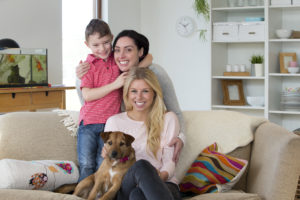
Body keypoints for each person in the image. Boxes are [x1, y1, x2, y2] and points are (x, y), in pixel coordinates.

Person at [76, 30, 185, 162]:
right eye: (117, 50)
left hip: (151, 143)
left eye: (128, 50)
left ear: (140, 52)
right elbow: (89, 104)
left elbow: (176, 112)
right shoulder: (111, 74)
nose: (121, 55)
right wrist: (80, 76)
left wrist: (181, 137)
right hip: (120, 143)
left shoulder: (155, 73)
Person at [77, 19, 152, 182]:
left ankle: (99, 194)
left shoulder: (116, 59)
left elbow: (149, 58)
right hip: (89, 123)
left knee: (103, 162)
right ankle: (82, 194)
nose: (102, 48)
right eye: (96, 45)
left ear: (111, 37)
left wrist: (135, 70)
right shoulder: (88, 66)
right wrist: (115, 84)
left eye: (106, 43)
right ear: (87, 44)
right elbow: (87, 95)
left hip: (109, 125)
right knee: (86, 164)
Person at [105, 67, 181, 200]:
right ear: (127, 94)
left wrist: (156, 177)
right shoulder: (114, 122)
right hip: (126, 184)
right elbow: (110, 163)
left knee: (138, 196)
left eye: (145, 91)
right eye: (134, 91)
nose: (139, 97)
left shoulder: (168, 119)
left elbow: (171, 161)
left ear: (154, 93)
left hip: (164, 184)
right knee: (141, 165)